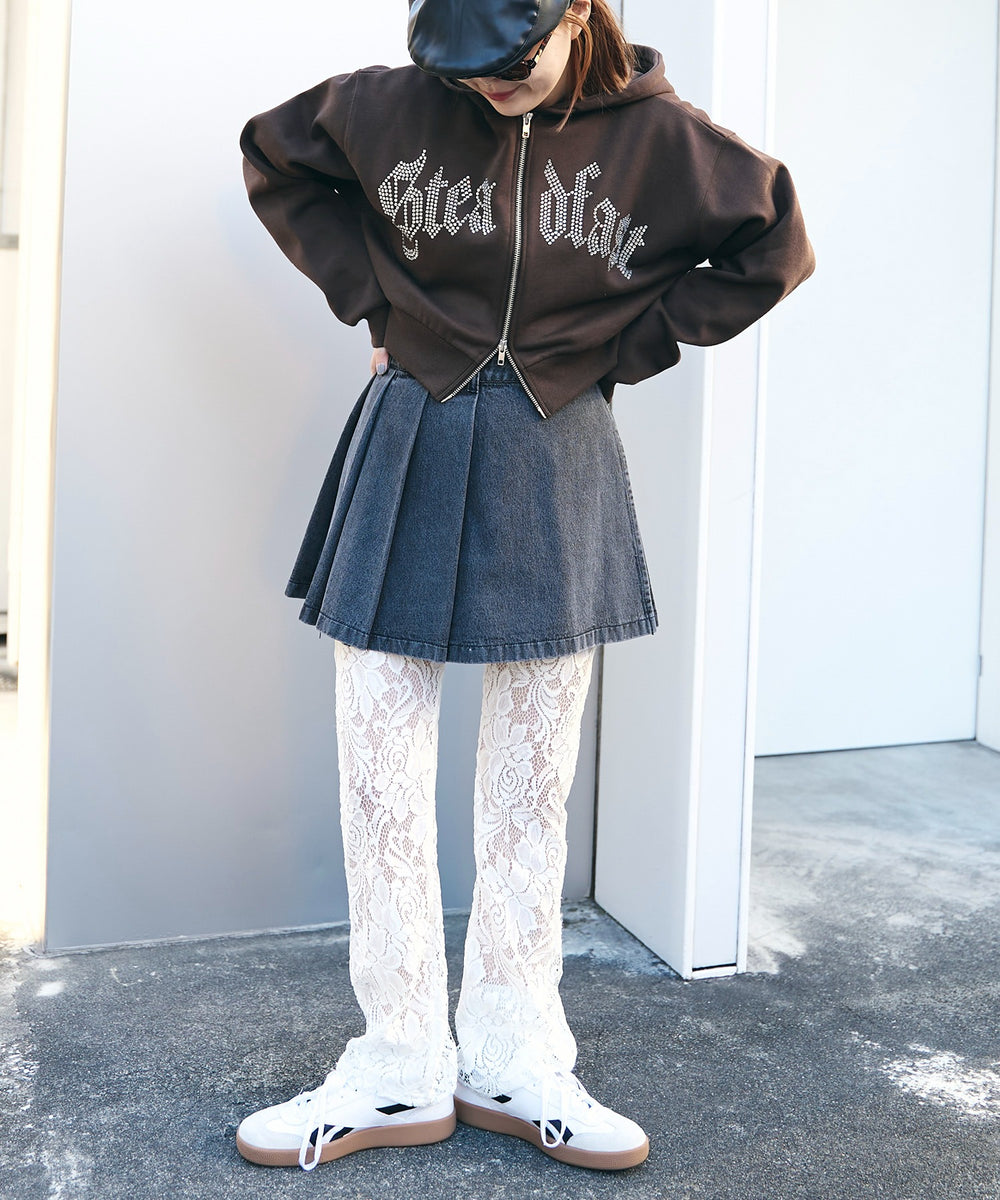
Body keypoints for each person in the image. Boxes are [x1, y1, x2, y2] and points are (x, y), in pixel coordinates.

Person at [235, 0, 815, 1174]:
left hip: (557, 448)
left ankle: (514, 1057)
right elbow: (273, 157)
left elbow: (774, 243)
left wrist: (624, 346)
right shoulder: (389, 104)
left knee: (528, 790)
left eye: (511, 62)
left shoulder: (665, 140)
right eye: (463, 68)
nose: (488, 87)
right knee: (379, 773)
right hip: (410, 426)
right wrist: (375, 300)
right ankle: (399, 1063)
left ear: (577, 10)